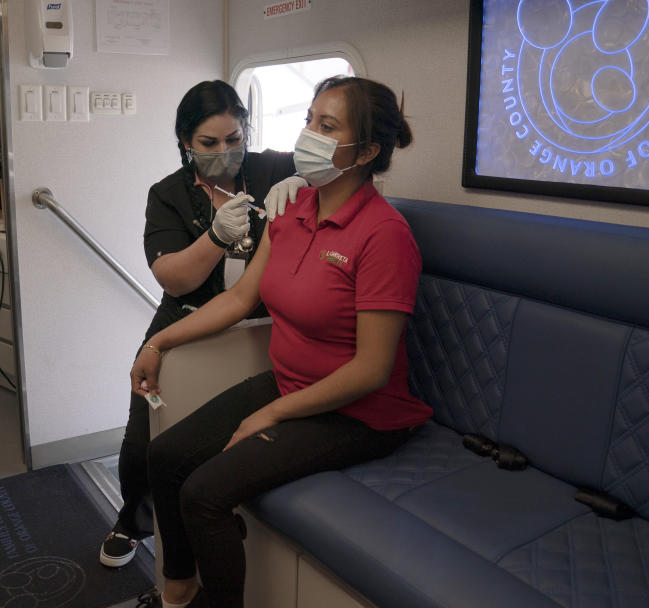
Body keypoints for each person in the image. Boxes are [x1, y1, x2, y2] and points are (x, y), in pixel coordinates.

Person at [131, 76, 433, 608]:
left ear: (365, 151)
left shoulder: (385, 234)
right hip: (293, 383)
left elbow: (371, 370)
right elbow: (242, 298)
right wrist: (156, 345)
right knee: (164, 454)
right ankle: (177, 588)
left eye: (327, 126)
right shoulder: (291, 209)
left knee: (203, 494)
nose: (308, 135)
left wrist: (270, 415)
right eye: (309, 120)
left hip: (359, 413)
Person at [100, 80, 297, 568]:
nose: (224, 152)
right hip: (184, 318)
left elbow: (332, 166)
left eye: (233, 139)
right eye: (208, 144)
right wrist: (215, 236)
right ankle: (134, 522)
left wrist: (308, 183)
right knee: (143, 437)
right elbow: (177, 278)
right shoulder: (167, 195)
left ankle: (207, 524)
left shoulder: (272, 169)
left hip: (253, 324)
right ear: (185, 142)